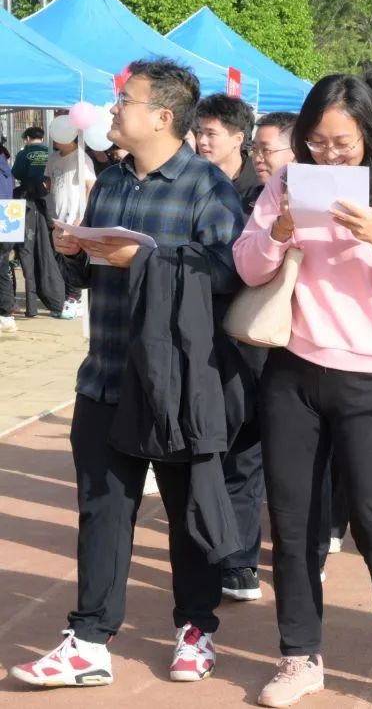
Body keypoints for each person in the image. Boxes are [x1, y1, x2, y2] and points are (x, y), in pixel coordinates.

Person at [8, 59, 245, 688]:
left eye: (125, 101)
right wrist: (74, 252)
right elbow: (90, 277)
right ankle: (89, 638)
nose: (113, 110)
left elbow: (229, 271)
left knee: (188, 511)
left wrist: (141, 258)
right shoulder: (110, 181)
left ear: (163, 116)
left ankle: (195, 629)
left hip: (175, 382)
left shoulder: (205, 186)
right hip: (106, 373)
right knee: (103, 511)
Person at [235, 73, 372, 709]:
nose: (327, 155)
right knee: (293, 523)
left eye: (342, 144)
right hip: (293, 370)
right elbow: (247, 266)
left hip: (371, 377)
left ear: (370, 138)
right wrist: (279, 229)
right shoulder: (284, 184)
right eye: (316, 142)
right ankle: (299, 656)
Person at [213, 111, 297, 606]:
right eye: (258, 150)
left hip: (301, 347)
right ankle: (239, 561)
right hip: (246, 341)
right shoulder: (227, 195)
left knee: (298, 462)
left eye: (269, 149)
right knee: (243, 453)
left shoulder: (314, 200)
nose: (260, 158)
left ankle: (310, 546)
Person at [12, 126, 65, 318]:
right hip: (46, 204)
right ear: (42, 138)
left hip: (26, 203)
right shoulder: (51, 153)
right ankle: (56, 299)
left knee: (26, 253)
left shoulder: (23, 153)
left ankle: (31, 306)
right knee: (47, 253)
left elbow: (16, 173)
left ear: (27, 138)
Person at [46, 128, 96, 318]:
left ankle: (74, 299)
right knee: (59, 259)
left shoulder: (82, 158)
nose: (55, 140)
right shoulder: (53, 158)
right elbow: (50, 183)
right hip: (57, 217)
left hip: (75, 218)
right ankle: (66, 298)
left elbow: (91, 187)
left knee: (72, 257)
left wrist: (81, 216)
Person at [195, 94, 260, 200]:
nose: (202, 141)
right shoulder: (189, 178)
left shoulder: (260, 183)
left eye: (211, 134)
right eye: (200, 132)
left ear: (238, 139)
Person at [0, 148, 15, 334]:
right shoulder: (6, 170)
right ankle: (6, 314)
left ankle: (5, 313)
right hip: (9, 220)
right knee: (3, 269)